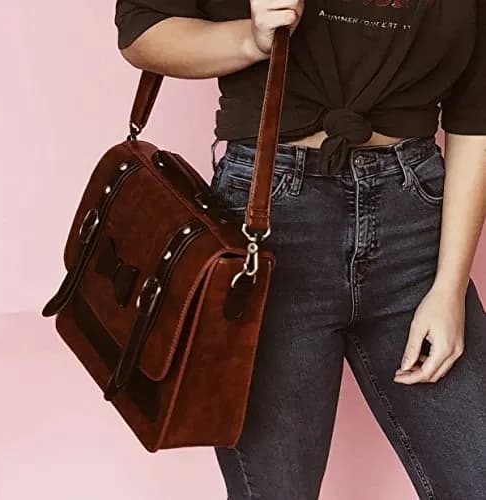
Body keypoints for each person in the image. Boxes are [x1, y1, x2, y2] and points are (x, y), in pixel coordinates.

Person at [114, 1, 486, 499]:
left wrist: (450, 287)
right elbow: (141, 30)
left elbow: (476, 116)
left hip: (415, 224)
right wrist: (250, 39)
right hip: (270, 226)